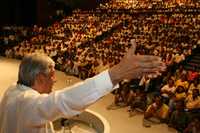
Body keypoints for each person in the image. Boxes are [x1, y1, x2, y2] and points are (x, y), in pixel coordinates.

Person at [0, 40, 166, 132]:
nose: (55, 80)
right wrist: (116, 74)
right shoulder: (28, 102)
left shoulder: (12, 91)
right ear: (40, 77)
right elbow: (63, 100)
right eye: (52, 75)